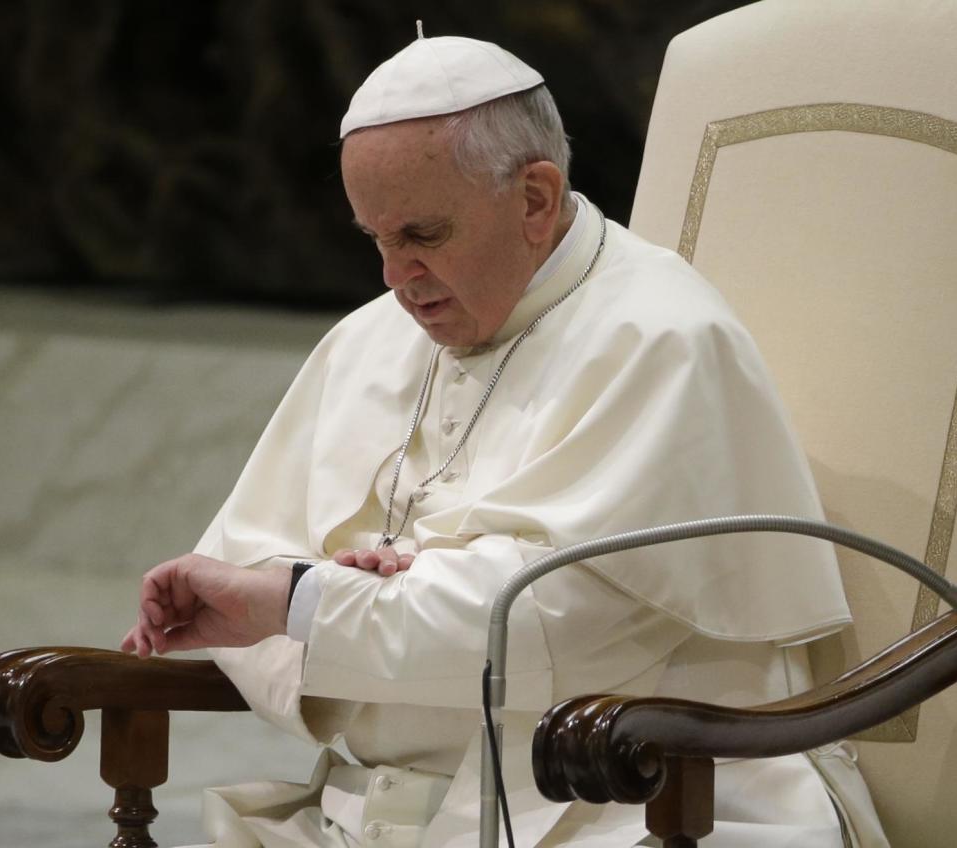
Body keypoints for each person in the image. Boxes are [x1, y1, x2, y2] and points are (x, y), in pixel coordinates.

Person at [121, 30, 888, 848]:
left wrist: (312, 604)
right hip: (376, 813)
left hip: (635, 804)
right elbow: (240, 588)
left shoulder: (659, 337)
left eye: (421, 235)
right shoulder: (365, 341)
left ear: (534, 198)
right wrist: (340, 598)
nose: (394, 278)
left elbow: (543, 623)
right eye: (375, 240)